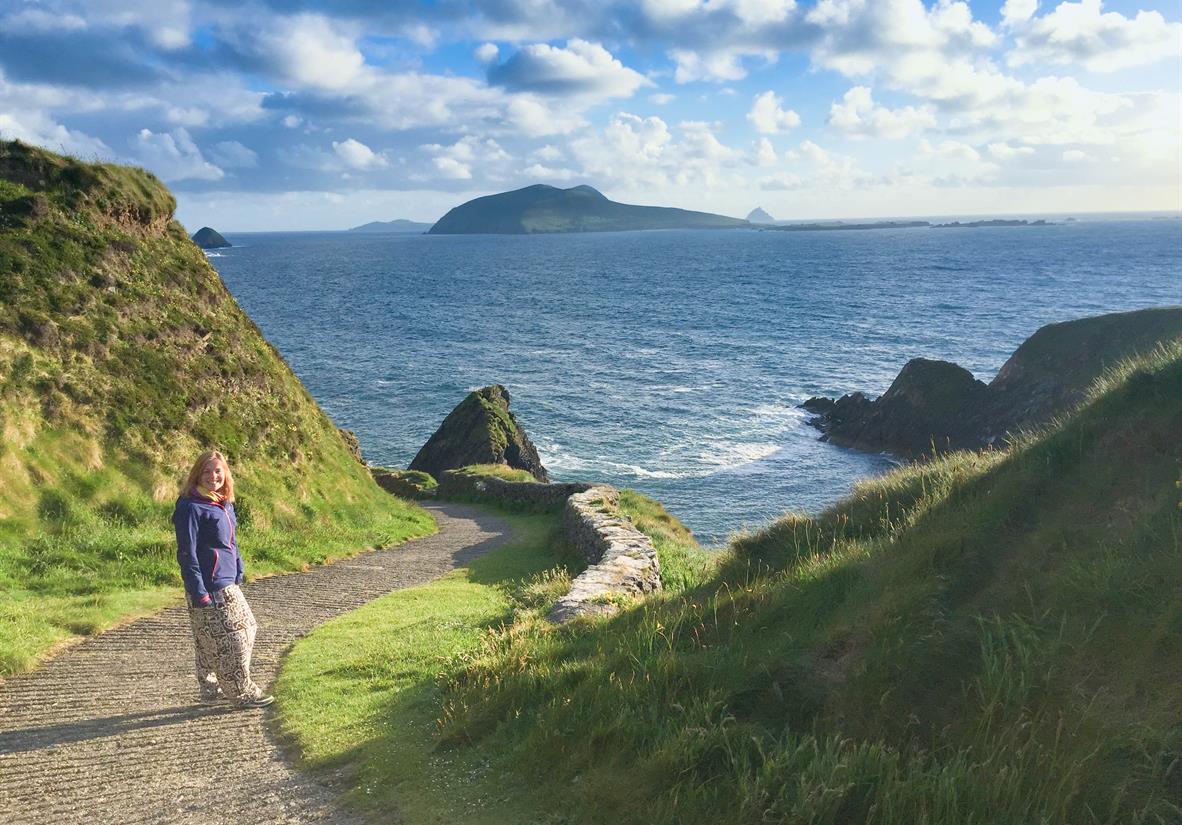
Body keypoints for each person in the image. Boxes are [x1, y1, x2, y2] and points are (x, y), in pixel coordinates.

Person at [173, 450, 274, 708]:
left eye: (218, 471)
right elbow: (187, 552)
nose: (213, 476)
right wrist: (198, 590)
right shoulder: (190, 506)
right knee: (238, 635)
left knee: (208, 638)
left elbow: (231, 543)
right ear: (197, 474)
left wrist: (239, 568)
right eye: (206, 471)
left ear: (225, 473)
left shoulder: (223, 503)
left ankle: (210, 690)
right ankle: (241, 692)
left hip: (227, 579)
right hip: (210, 585)